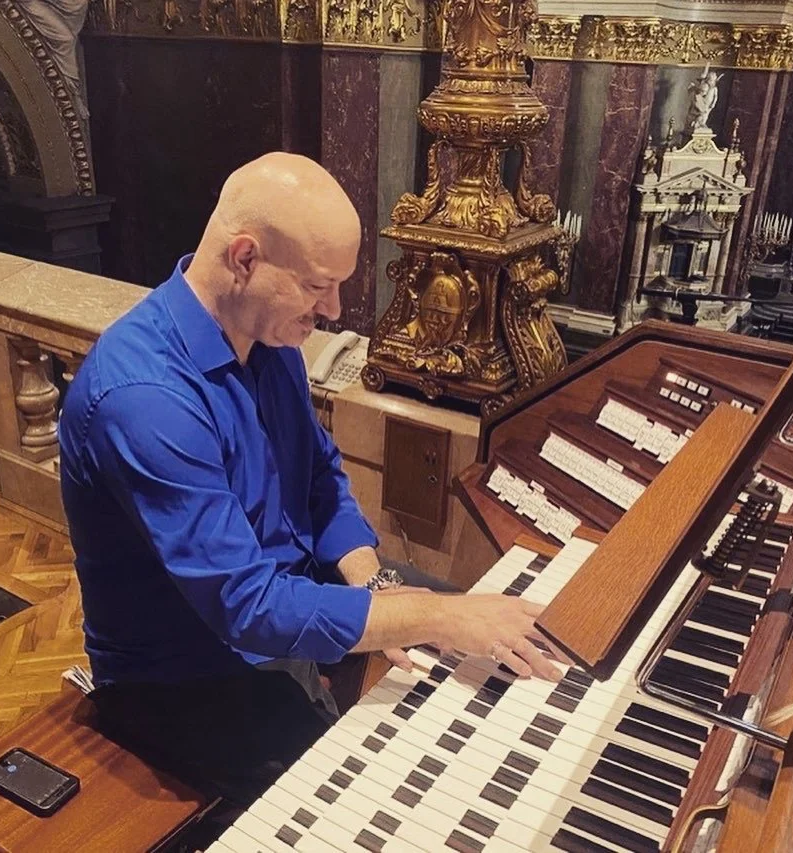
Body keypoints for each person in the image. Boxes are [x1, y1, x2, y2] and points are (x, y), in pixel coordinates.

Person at [58, 152, 563, 808]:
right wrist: (422, 615)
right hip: (186, 672)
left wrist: (378, 586)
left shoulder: (269, 340)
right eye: (316, 285)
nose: (333, 309)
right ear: (244, 258)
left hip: (281, 598)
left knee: (496, 648)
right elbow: (247, 608)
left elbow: (321, 480)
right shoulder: (143, 396)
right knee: (382, 797)